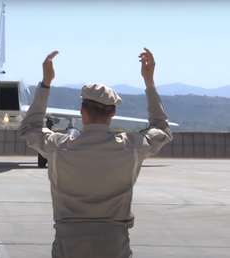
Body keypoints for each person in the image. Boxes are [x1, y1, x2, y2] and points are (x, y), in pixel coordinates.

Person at [19, 48, 173, 258]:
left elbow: (30, 128)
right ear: (113, 113)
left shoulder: (58, 146)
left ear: (82, 112)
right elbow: (162, 129)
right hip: (114, 244)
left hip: (68, 244)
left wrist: (46, 83)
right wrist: (149, 83)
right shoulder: (131, 147)